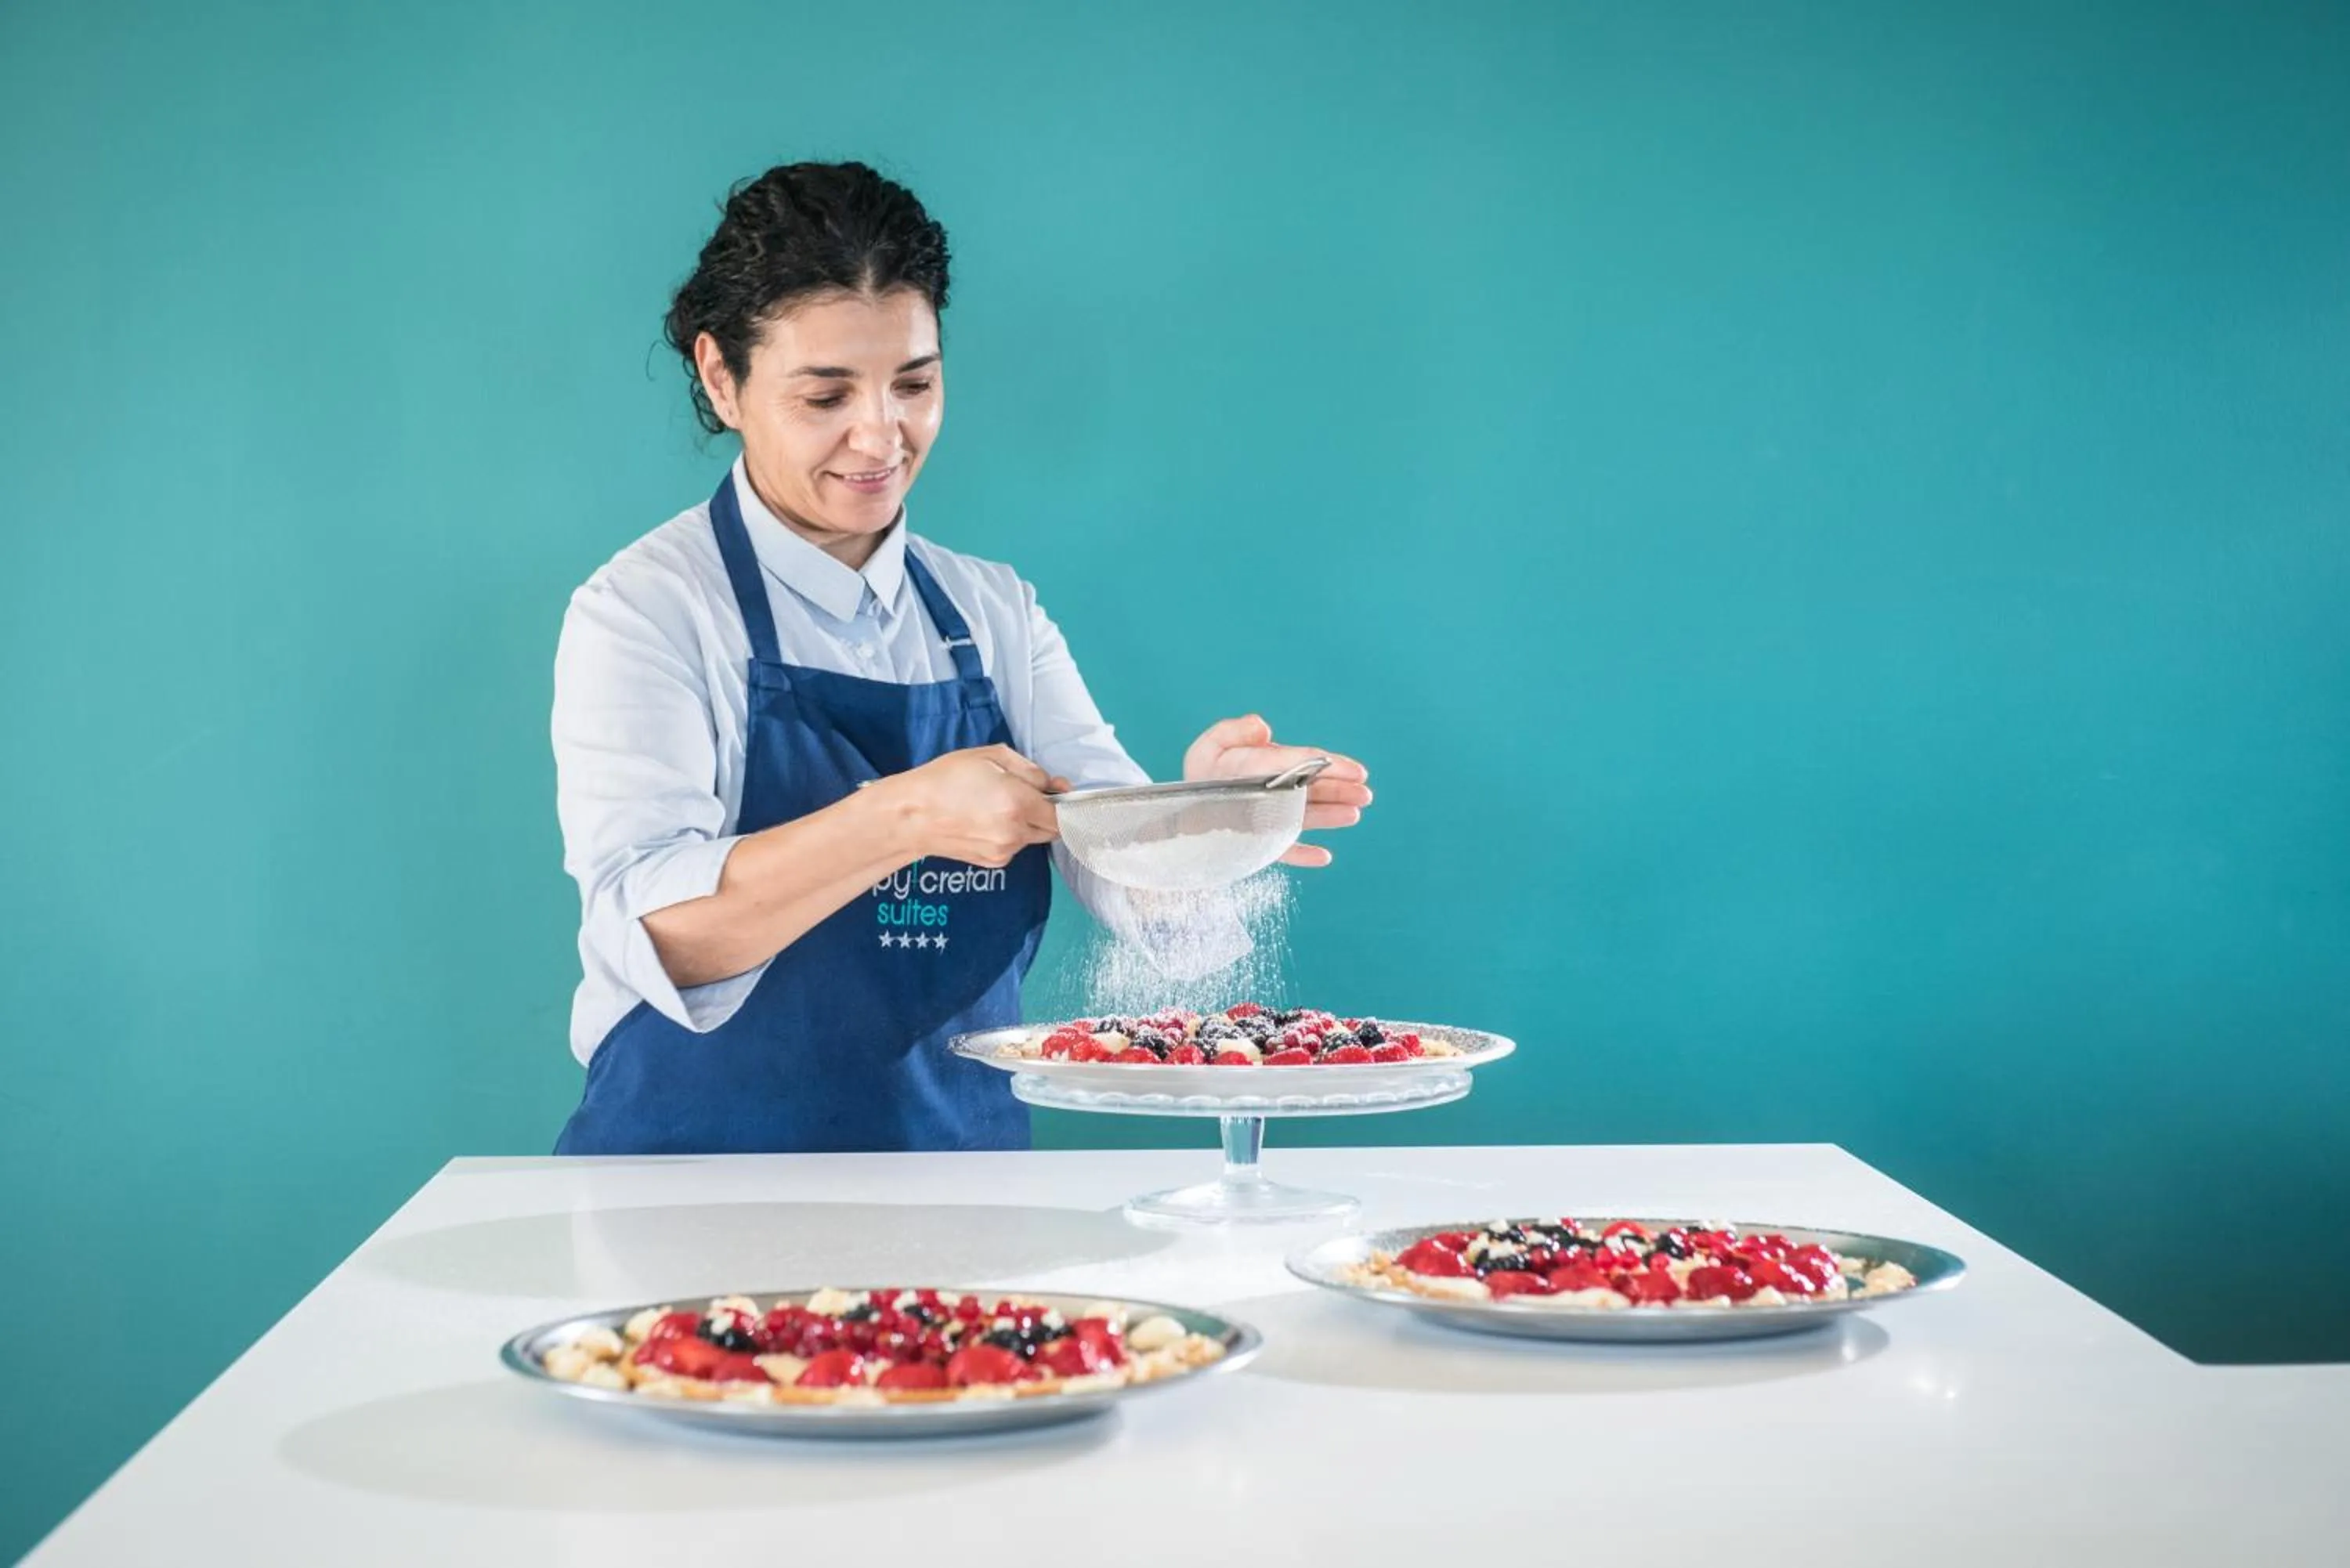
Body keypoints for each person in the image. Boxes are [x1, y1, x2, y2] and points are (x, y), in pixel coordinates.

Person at [550, 161, 1371, 1154]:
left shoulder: (995, 613)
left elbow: (1152, 903)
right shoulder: (647, 610)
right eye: (826, 396)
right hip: (690, 1189)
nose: (880, 435)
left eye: (915, 383)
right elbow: (662, 932)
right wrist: (906, 815)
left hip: (965, 1190)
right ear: (722, 377)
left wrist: (1214, 816)